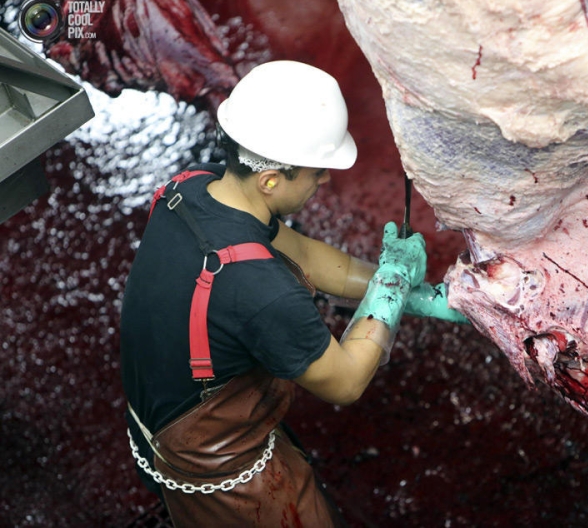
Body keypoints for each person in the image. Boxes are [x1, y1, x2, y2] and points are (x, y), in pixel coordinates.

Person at [119, 60, 465, 527]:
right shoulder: (264, 293)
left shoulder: (193, 188)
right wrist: (390, 287)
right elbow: (344, 381)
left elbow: (306, 254)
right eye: (315, 172)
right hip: (228, 482)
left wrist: (418, 293)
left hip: (155, 426)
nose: (325, 181)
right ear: (270, 179)